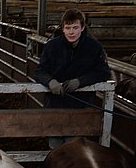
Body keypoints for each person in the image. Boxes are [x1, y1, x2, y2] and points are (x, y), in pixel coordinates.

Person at [32, 8, 112, 148]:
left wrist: (80, 81)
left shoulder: (93, 47)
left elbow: (103, 72)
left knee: (74, 144)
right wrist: (50, 81)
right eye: (68, 27)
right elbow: (40, 70)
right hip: (55, 104)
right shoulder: (52, 46)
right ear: (62, 28)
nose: (71, 32)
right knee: (55, 143)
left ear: (82, 28)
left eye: (75, 27)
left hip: (80, 105)